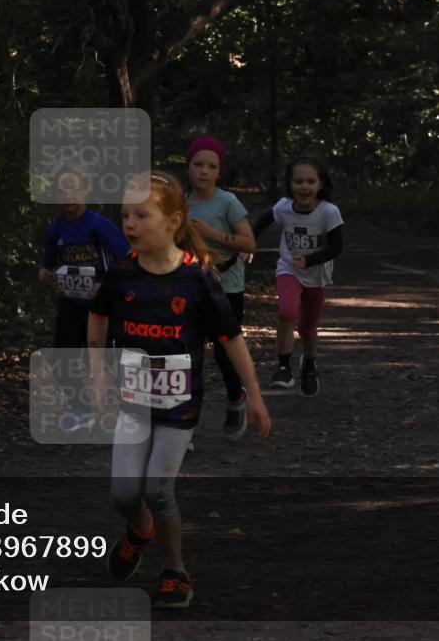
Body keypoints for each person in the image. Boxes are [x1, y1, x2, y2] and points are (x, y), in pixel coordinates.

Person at [88, 171, 272, 609]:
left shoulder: (198, 277)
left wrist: (255, 395)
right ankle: (139, 531)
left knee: (157, 489)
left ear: (172, 221)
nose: (129, 224)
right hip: (132, 402)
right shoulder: (121, 273)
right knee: (123, 495)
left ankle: (175, 569)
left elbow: (231, 338)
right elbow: (96, 319)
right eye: (124, 216)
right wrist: (96, 374)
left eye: (140, 215)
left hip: (178, 405)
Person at [40, 165, 130, 431]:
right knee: (62, 357)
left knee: (108, 358)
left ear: (86, 190)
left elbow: (126, 259)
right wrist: (49, 278)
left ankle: (119, 411)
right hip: (72, 302)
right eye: (61, 190)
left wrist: (104, 284)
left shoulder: (99, 225)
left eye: (74, 188)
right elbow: (47, 268)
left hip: (103, 305)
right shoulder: (56, 228)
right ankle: (82, 409)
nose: (68, 195)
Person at [184, 135, 257, 442]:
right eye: (198, 164)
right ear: (188, 168)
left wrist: (213, 234)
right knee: (189, 354)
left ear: (219, 172)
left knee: (225, 351)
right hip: (188, 287)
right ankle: (184, 424)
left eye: (211, 166)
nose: (204, 171)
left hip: (228, 287)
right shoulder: (180, 202)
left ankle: (235, 398)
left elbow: (249, 242)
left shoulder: (228, 202)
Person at [252, 156, 343, 398]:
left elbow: (336, 248)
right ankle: (283, 368)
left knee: (307, 327)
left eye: (310, 181)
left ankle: (310, 365)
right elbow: (262, 222)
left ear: (320, 184)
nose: (304, 187)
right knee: (287, 312)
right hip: (289, 268)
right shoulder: (283, 206)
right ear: (290, 184)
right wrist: (247, 244)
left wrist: (311, 260)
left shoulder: (329, 212)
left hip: (316, 273)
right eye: (298, 181)